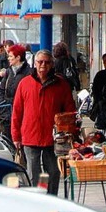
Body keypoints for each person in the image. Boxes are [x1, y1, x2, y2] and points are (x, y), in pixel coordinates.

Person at [11, 49, 76, 195]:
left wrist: (71, 134)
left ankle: (51, 199)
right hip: (30, 136)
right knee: (34, 173)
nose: (43, 65)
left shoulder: (61, 85)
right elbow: (17, 111)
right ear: (34, 64)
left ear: (52, 65)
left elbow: (70, 112)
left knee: (53, 172)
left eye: (47, 62)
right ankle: (37, 201)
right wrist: (16, 136)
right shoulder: (24, 83)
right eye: (40, 62)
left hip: (54, 138)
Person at [0, 44, 32, 144]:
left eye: (11, 56)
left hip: (21, 114)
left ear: (18, 57)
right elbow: (2, 90)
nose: (8, 59)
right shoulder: (9, 72)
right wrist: (0, 107)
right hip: (6, 113)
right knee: (8, 143)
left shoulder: (29, 73)